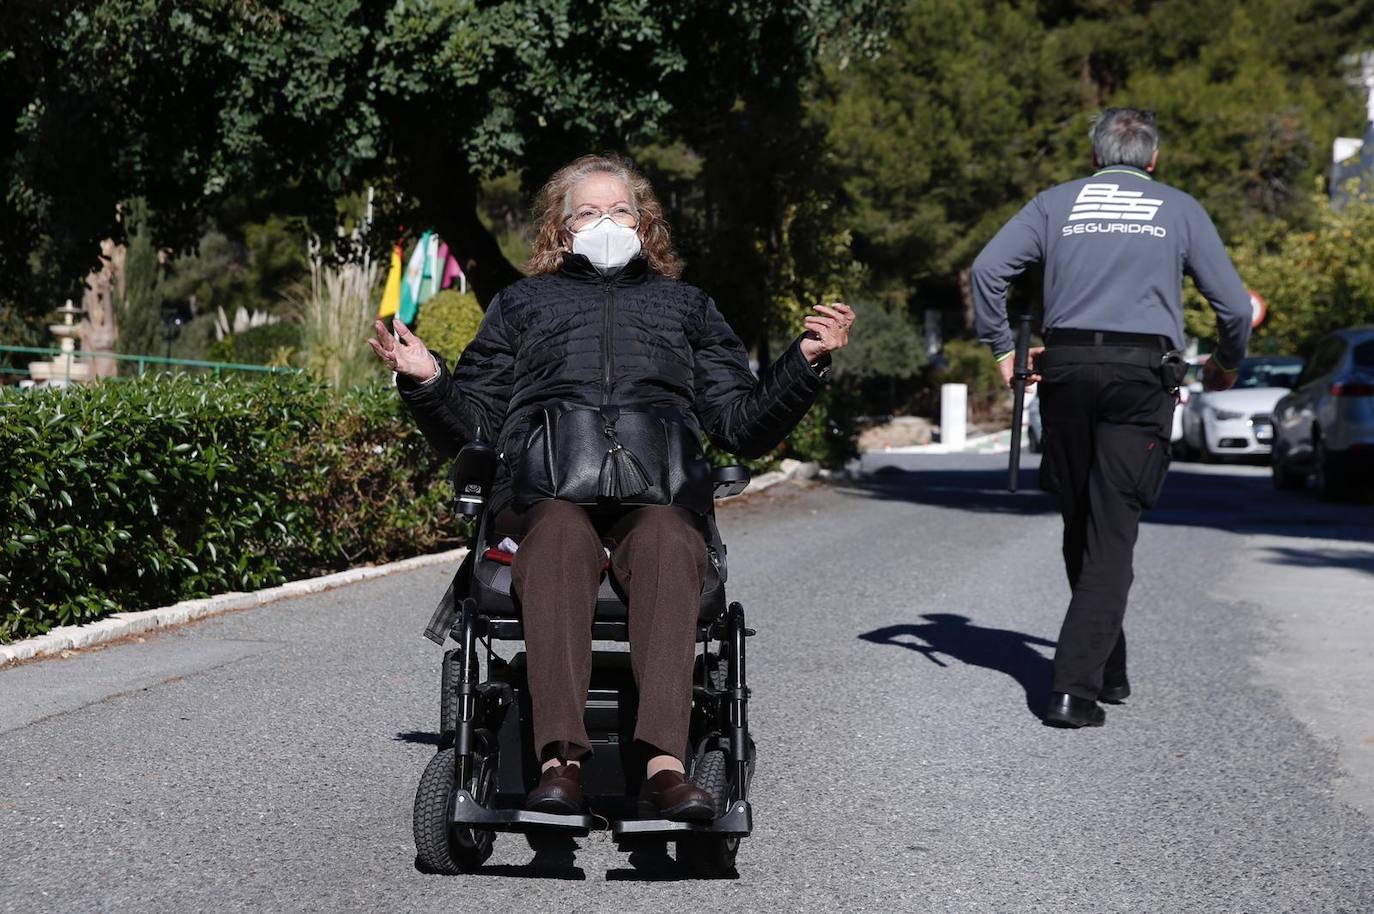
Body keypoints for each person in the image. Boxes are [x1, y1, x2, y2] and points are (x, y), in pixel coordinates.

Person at [370, 154, 853, 815]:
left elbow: (740, 424)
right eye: (588, 211)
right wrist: (427, 379)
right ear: (560, 230)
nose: (605, 221)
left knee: (664, 540)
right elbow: (475, 424)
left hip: (658, 493)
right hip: (548, 493)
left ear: (644, 223)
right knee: (561, 536)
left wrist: (803, 363)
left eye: (619, 209)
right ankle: (559, 761)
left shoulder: (687, 307)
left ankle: (663, 764)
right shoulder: (520, 304)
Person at [971, 108, 1251, 728]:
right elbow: (1233, 306)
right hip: (1139, 377)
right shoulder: (1179, 209)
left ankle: (1107, 669)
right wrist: (1226, 366)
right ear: (1153, 160)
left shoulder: (1054, 203)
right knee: (1112, 533)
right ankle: (1073, 687)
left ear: (1096, 157)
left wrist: (1002, 348)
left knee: (1082, 524)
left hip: (1065, 371)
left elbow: (988, 271)